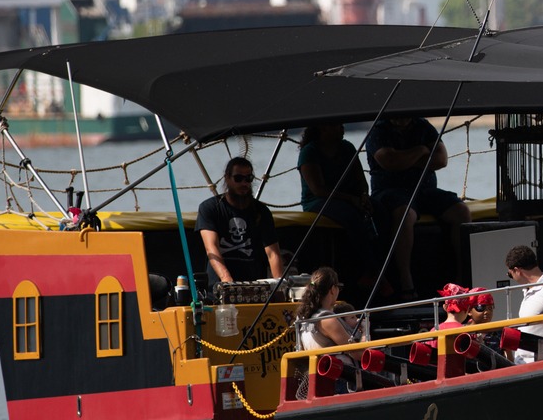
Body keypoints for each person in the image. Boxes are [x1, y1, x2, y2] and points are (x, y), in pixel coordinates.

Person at [299, 122, 412, 299]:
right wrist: (351, 199)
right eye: (337, 126)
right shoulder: (310, 152)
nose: (341, 129)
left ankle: (385, 267)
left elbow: (360, 179)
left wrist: (364, 196)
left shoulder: (347, 148)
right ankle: (371, 271)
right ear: (323, 128)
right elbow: (318, 189)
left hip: (348, 198)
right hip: (318, 201)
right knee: (350, 217)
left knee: (381, 212)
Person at [364, 116, 470, 286]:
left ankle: (463, 275)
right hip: (390, 191)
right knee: (405, 215)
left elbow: (441, 159)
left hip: (425, 190)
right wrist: (421, 150)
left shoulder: (423, 126)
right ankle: (406, 281)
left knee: (461, 212)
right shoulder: (378, 130)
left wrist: (403, 158)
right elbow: (390, 162)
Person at [196, 156, 283, 286]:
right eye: (238, 178)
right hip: (219, 286)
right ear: (227, 178)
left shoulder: (262, 211)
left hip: (254, 286)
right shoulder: (209, 208)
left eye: (248, 179)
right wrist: (227, 280)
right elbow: (212, 248)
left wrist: (279, 286)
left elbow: (273, 254)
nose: (244, 183)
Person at [505, 245, 543, 363]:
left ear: (517, 271)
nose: (512, 278)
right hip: (523, 365)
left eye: (510, 274)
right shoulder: (528, 290)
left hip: (541, 366)